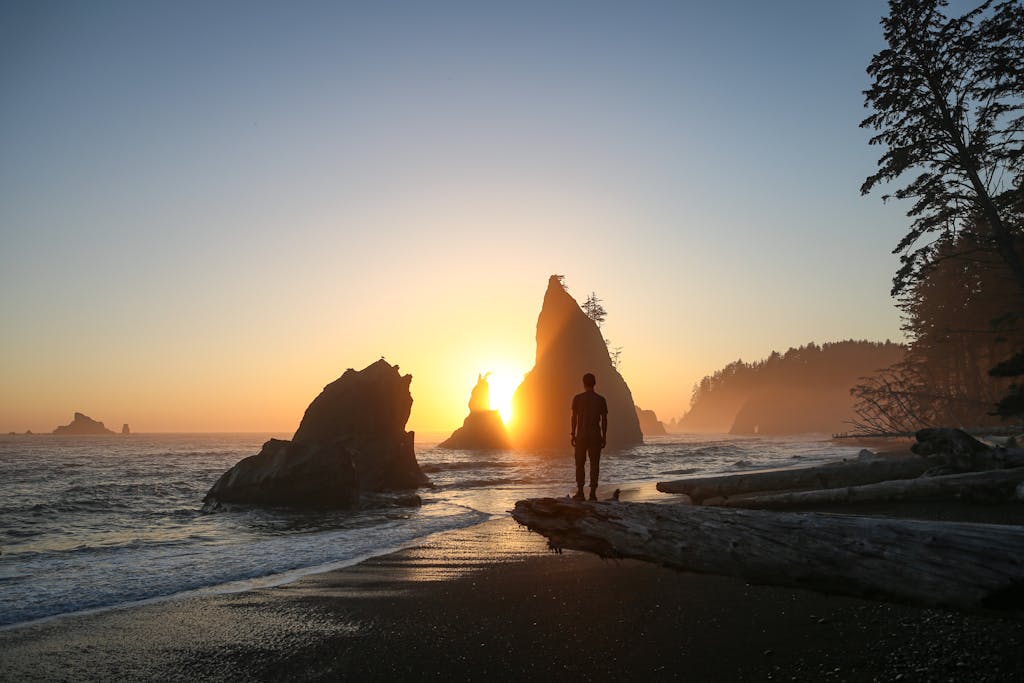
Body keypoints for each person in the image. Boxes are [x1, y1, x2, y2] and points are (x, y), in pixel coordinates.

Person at [570, 372, 608, 501]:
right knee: (594, 464)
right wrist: (604, 436)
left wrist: (572, 434)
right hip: (595, 435)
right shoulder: (600, 400)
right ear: (594, 383)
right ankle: (592, 493)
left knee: (580, 464)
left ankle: (580, 492)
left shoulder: (577, 398)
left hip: (581, 435)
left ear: (583, 383)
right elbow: (604, 420)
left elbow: (573, 418)